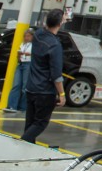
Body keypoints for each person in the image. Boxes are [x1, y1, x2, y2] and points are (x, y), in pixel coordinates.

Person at [21, 8, 67, 144]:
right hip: (45, 91)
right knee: (40, 123)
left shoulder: (38, 35)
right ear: (60, 23)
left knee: (30, 123)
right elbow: (56, 75)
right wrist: (62, 94)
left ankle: (25, 150)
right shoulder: (55, 45)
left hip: (31, 87)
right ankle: (20, 144)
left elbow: (45, 27)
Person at [3, 28, 34, 113]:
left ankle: (23, 107)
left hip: (28, 64)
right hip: (21, 64)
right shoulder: (22, 44)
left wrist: (28, 54)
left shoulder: (34, 45)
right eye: (25, 36)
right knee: (16, 85)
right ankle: (11, 106)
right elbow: (18, 54)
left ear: (32, 36)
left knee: (25, 86)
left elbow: (36, 55)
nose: (26, 38)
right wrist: (19, 56)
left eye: (28, 36)